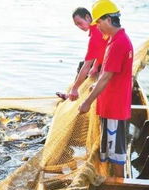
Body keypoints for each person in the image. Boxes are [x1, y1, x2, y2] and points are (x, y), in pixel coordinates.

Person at [78, 0, 133, 177]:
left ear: (108, 19)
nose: (97, 27)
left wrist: (86, 102)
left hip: (114, 108)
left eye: (98, 22)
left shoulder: (118, 43)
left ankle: (120, 187)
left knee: (116, 152)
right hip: (111, 105)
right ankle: (114, 181)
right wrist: (96, 84)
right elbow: (108, 74)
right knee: (110, 148)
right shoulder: (115, 39)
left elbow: (107, 76)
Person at [56, 7, 108, 100]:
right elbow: (102, 50)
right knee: (84, 65)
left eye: (80, 23)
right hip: (106, 60)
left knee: (83, 65)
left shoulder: (95, 35)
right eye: (77, 25)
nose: (80, 27)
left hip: (109, 65)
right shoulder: (99, 26)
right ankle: (73, 92)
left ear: (88, 17)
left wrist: (75, 88)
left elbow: (87, 65)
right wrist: (95, 65)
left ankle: (73, 93)